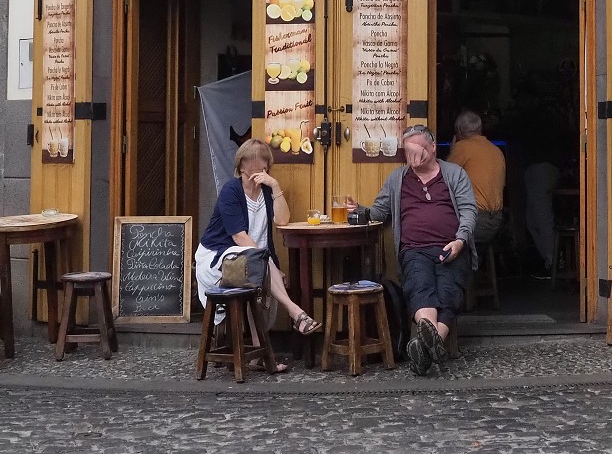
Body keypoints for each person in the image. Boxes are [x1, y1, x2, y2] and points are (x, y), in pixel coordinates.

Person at [347, 124, 477, 376]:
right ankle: (433, 344)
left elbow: (469, 212)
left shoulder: (454, 173)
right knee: (419, 285)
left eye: (418, 151)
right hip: (414, 250)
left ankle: (424, 347)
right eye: (408, 152)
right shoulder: (398, 178)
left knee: (449, 290)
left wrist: (460, 241)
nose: (413, 157)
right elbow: (380, 212)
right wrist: (359, 210)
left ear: (432, 147)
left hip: (451, 247)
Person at [194, 139, 321, 368]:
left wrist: (275, 187)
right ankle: (296, 313)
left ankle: (261, 355)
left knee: (258, 272)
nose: (255, 170)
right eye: (250, 164)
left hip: (253, 259)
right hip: (218, 257)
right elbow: (239, 237)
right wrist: (268, 263)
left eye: (261, 166)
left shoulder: (265, 192)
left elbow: (282, 220)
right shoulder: (231, 191)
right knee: (259, 267)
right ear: (240, 166)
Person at [446, 110, 506, 245]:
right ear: (480, 129)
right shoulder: (496, 150)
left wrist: (452, 150)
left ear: (459, 131)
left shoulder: (462, 147)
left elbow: (443, 179)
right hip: (495, 221)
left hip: (474, 221)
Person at [524, 159, 559, 277]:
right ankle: (550, 261)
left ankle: (552, 264)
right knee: (532, 222)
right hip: (534, 166)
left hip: (543, 164)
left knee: (544, 222)